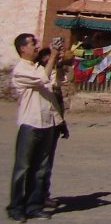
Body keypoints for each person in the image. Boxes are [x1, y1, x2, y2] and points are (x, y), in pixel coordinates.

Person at [6, 33, 65, 222]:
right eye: (33, 44)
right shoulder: (21, 70)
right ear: (23, 48)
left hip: (47, 122)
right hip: (30, 123)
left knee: (40, 168)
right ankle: (16, 206)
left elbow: (53, 84)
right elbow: (41, 79)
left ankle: (34, 205)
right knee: (23, 168)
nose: (37, 47)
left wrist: (56, 62)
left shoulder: (39, 66)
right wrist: (53, 55)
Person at [34, 47, 70, 209]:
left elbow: (65, 80)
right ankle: (34, 197)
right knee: (39, 161)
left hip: (55, 116)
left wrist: (61, 65)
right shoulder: (38, 74)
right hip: (41, 121)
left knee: (47, 160)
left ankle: (43, 194)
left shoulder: (55, 72)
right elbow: (46, 82)